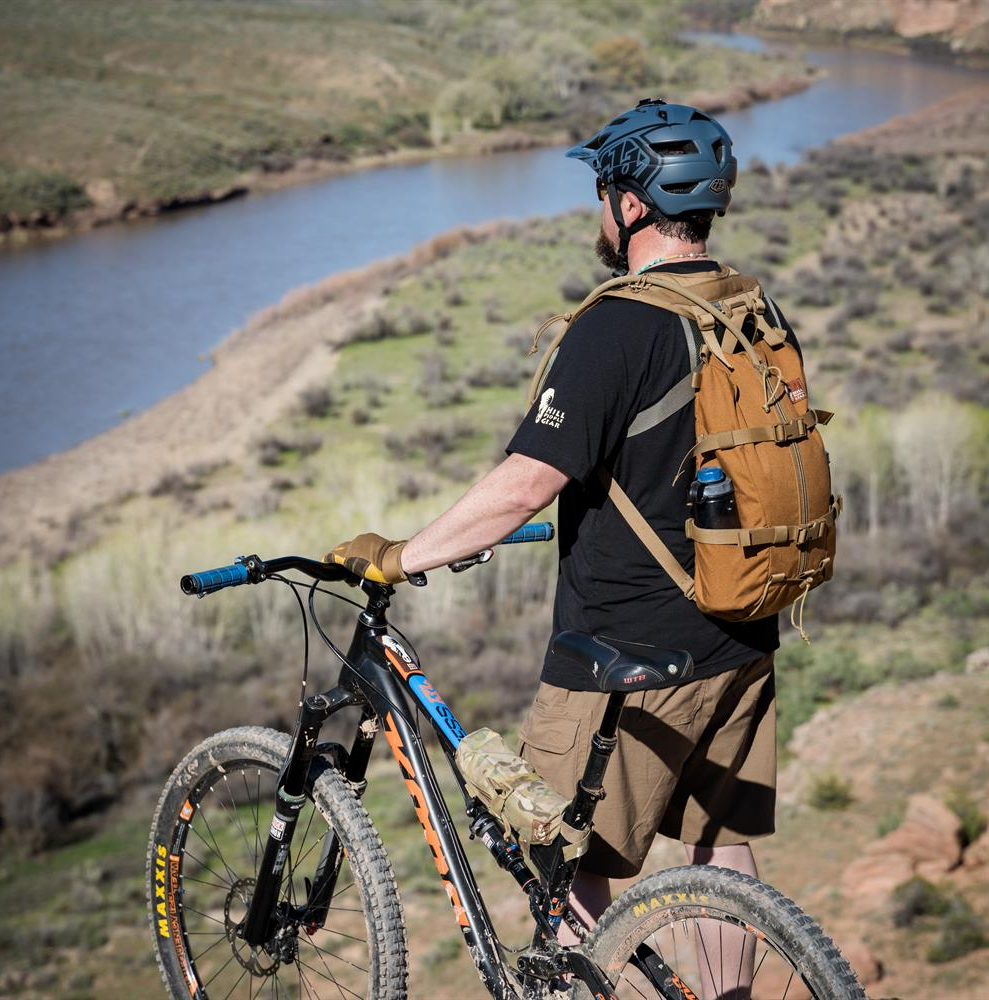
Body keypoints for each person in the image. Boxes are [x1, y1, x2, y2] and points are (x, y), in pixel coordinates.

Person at [324, 99, 788, 988]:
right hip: (741, 630)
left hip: (626, 655)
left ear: (633, 203)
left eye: (603, 188)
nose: (597, 210)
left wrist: (401, 554)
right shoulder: (744, 304)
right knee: (719, 851)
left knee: (570, 882)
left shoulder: (619, 324)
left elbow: (524, 482)